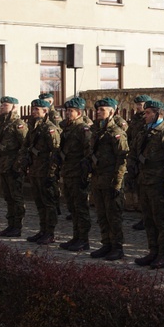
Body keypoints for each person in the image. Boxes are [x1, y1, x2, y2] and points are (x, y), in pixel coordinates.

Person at [129, 100, 164, 269]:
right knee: (148, 219)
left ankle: (163, 255)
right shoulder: (144, 131)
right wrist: (132, 168)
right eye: (145, 112)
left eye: (149, 112)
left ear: (159, 114)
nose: (146, 115)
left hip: (159, 183)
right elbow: (134, 152)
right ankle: (153, 251)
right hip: (144, 181)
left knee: (162, 220)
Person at [87, 98, 128, 261]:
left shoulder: (116, 133)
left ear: (112, 112)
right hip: (98, 179)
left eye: (102, 109)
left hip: (111, 180)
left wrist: (117, 183)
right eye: (97, 109)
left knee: (113, 216)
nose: (98, 112)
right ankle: (106, 244)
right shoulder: (98, 131)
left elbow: (122, 159)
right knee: (101, 214)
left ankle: (117, 247)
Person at [18, 99, 61, 245]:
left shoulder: (50, 129)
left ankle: (50, 233)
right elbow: (26, 146)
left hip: (45, 172)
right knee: (39, 203)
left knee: (48, 204)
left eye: (38, 109)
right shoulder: (34, 127)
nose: (34, 111)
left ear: (46, 111)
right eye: (33, 109)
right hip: (35, 170)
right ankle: (42, 230)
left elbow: (55, 152)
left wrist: (52, 173)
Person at [57, 97, 94, 252]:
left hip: (78, 174)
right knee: (72, 208)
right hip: (68, 172)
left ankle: (83, 240)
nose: (67, 113)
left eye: (70, 111)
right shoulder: (69, 128)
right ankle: (76, 236)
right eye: (67, 111)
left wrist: (86, 176)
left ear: (79, 112)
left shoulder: (83, 129)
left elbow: (88, 153)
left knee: (81, 208)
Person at [0, 97, 28, 237]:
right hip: (4, 165)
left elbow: (24, 146)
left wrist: (18, 165)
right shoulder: (3, 123)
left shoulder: (18, 124)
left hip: (13, 166)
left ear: (14, 107)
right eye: (2, 105)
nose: (2, 107)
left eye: (6, 105)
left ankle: (17, 226)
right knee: (8, 197)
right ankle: (10, 224)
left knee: (16, 197)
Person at [127, 94, 152, 231]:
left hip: (146, 155)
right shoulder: (135, 119)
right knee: (139, 188)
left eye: (141, 104)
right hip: (136, 154)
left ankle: (147, 218)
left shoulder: (148, 119)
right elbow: (129, 135)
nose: (138, 107)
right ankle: (143, 215)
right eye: (137, 104)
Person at [39, 92, 63, 217]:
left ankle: (56, 205)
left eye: (47, 101)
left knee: (53, 181)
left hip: (51, 155)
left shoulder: (53, 115)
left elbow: (57, 132)